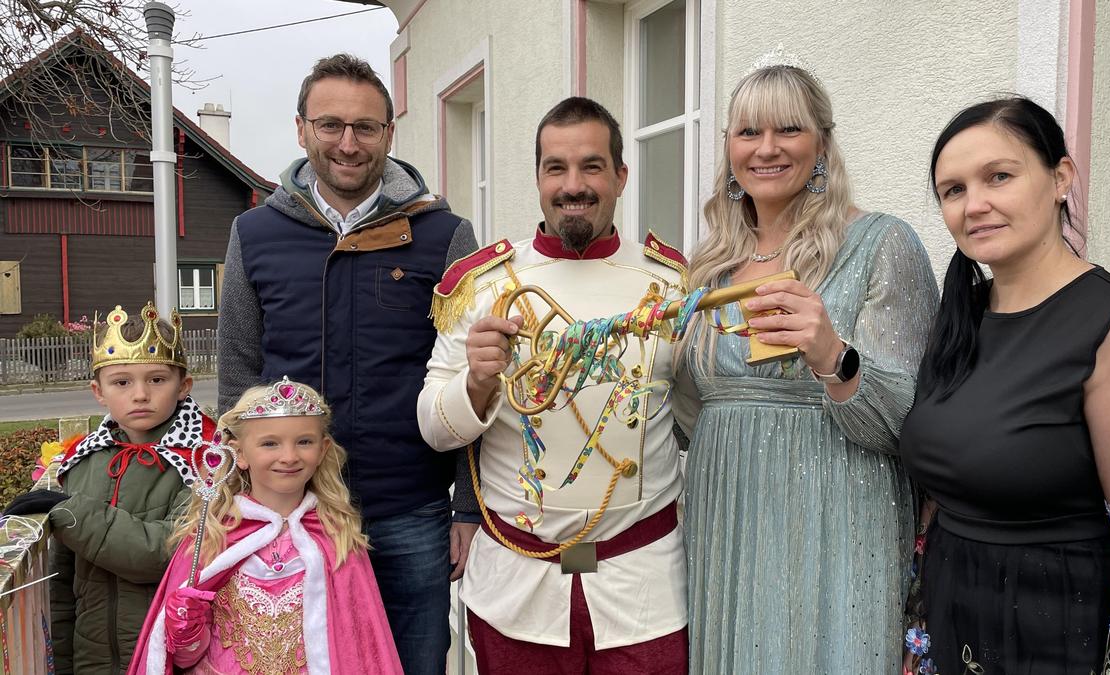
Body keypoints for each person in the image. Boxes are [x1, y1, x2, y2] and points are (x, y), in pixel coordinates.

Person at [899, 97, 1110, 674]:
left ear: (1061, 178)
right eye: (953, 190)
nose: (975, 205)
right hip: (952, 620)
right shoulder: (963, 317)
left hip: (1059, 635)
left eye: (999, 177)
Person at [416, 96, 698, 674]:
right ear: (538, 178)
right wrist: (475, 383)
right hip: (519, 590)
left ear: (621, 175)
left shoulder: (673, 283)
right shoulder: (481, 286)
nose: (574, 186)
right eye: (557, 168)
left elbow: (698, 416)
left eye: (592, 166)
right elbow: (433, 428)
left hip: (643, 591)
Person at [216, 53, 479, 674]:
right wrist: (239, 499)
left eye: (366, 127)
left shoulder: (443, 235)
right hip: (291, 513)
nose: (348, 143)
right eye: (330, 125)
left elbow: (471, 385)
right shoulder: (254, 234)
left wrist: (467, 506)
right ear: (301, 128)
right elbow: (238, 376)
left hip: (409, 511)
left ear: (389, 133)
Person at [680, 64, 939, 673]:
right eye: (747, 132)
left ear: (822, 142)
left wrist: (832, 354)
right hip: (726, 518)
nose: (766, 148)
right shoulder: (709, 266)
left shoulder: (882, 244)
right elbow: (685, 414)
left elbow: (913, 425)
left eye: (788, 129)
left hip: (838, 519)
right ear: (728, 147)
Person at [127, 377, 404, 675]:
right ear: (240, 453)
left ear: (323, 449)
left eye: (304, 442)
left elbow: (360, 650)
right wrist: (186, 632)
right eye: (270, 443)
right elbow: (183, 659)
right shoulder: (212, 538)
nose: (289, 457)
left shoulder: (337, 539)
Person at [3, 301, 214, 674]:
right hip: (93, 658)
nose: (139, 395)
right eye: (121, 382)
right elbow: (63, 583)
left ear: (184, 386)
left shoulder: (204, 462)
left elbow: (167, 556)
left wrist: (72, 512)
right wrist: (63, 664)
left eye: (157, 380)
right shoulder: (85, 461)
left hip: (169, 654)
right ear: (98, 392)